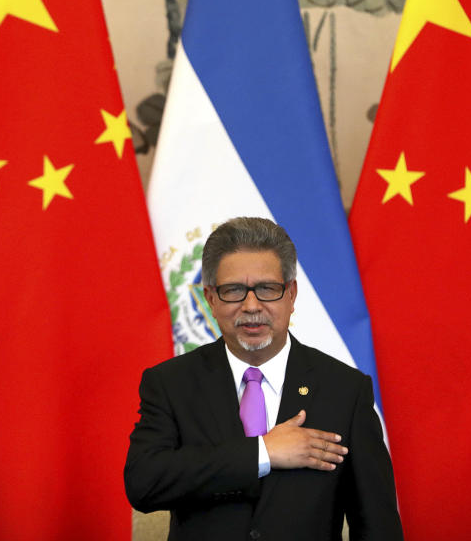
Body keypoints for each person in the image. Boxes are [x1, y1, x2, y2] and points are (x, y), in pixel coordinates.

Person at [124, 217, 402, 540]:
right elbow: (143, 483)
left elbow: (377, 526)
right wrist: (263, 453)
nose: (252, 306)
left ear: (291, 294)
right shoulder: (171, 384)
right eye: (234, 291)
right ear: (211, 298)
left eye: (267, 288)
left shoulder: (344, 390)